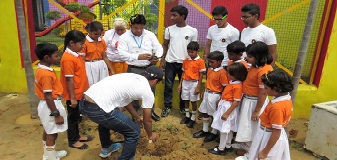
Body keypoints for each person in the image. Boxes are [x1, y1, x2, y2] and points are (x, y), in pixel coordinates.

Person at [79, 65, 163, 160]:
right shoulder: (147, 92)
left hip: (84, 103)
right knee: (134, 132)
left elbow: (127, 102)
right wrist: (150, 135)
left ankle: (106, 149)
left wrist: (137, 117)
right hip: (98, 109)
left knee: (105, 122)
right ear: (155, 81)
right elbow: (147, 121)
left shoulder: (133, 77)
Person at [236, 69, 293, 160]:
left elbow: (276, 132)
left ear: (276, 89)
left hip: (268, 136)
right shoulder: (285, 98)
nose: (264, 90)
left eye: (266, 88)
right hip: (267, 134)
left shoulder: (277, 108)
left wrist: (265, 151)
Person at [118, 14, 163, 121]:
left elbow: (158, 47)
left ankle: (150, 112)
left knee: (150, 91)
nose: (139, 30)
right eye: (136, 28)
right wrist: (138, 56)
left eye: (141, 28)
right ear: (131, 26)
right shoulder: (124, 37)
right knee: (133, 92)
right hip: (134, 68)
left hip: (149, 67)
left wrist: (157, 57)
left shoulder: (150, 35)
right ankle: (136, 115)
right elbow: (122, 54)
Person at [234, 42, 273, 156]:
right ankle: (246, 146)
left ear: (259, 57)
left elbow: (263, 92)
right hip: (248, 99)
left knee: (252, 127)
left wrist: (257, 110)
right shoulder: (255, 66)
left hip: (255, 102)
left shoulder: (264, 70)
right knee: (246, 124)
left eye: (250, 57)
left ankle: (251, 151)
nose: (246, 58)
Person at [160, 5, 198, 117]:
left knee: (184, 87)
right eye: (171, 15)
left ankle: (183, 107)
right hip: (170, 62)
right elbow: (165, 45)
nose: (171, 18)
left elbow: (194, 47)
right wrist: (162, 60)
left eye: (174, 15)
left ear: (182, 16)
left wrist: (194, 63)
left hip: (186, 64)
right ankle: (167, 106)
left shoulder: (192, 31)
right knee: (168, 86)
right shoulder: (169, 29)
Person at [60, 30, 93, 150]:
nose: (82, 46)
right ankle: (73, 140)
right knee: (73, 117)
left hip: (80, 92)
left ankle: (77, 135)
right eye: (81, 44)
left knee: (77, 116)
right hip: (73, 95)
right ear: (72, 43)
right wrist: (72, 98)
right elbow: (69, 80)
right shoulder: (68, 59)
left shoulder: (75, 54)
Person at [34, 43, 68, 160]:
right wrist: (56, 114)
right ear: (47, 58)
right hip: (51, 105)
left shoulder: (43, 70)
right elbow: (48, 96)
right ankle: (50, 157)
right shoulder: (46, 74)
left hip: (48, 104)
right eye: (56, 55)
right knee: (52, 133)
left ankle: (49, 154)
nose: (58, 58)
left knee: (48, 130)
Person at [208, 62, 247, 155]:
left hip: (228, 108)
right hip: (225, 105)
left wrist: (227, 113)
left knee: (224, 129)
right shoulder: (232, 82)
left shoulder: (237, 86)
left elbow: (236, 101)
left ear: (236, 75)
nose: (228, 75)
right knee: (229, 128)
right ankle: (228, 145)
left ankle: (221, 148)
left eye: (230, 74)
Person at [193, 51, 228, 142]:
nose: (210, 63)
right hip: (207, 93)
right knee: (205, 111)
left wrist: (221, 98)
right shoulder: (210, 69)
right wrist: (204, 91)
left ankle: (214, 132)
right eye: (209, 62)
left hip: (215, 95)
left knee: (214, 114)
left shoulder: (222, 72)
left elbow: (225, 86)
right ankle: (205, 130)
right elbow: (208, 81)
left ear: (219, 61)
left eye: (212, 62)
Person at [177, 41, 206, 128]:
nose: (190, 54)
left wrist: (198, 86)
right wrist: (180, 84)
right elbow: (183, 72)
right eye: (189, 52)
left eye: (192, 52)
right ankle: (187, 116)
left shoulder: (200, 61)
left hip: (194, 83)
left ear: (197, 51)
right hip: (185, 82)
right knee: (185, 99)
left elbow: (201, 74)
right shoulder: (186, 60)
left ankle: (193, 118)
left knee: (193, 101)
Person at [82, 21, 114, 86]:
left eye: (100, 34)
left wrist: (111, 69)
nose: (98, 36)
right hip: (89, 66)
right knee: (90, 84)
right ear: (89, 31)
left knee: (103, 84)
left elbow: (105, 57)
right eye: (95, 34)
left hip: (101, 65)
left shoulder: (102, 41)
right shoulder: (84, 42)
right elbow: (82, 59)